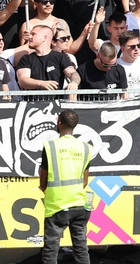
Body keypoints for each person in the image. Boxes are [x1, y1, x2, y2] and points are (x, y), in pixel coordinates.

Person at [39, 110, 93, 264]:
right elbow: (85, 180)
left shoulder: (50, 147)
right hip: (79, 204)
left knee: (51, 249)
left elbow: (43, 182)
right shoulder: (86, 147)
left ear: (59, 123)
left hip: (57, 206)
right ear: (74, 126)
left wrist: (47, 191)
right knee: (81, 248)